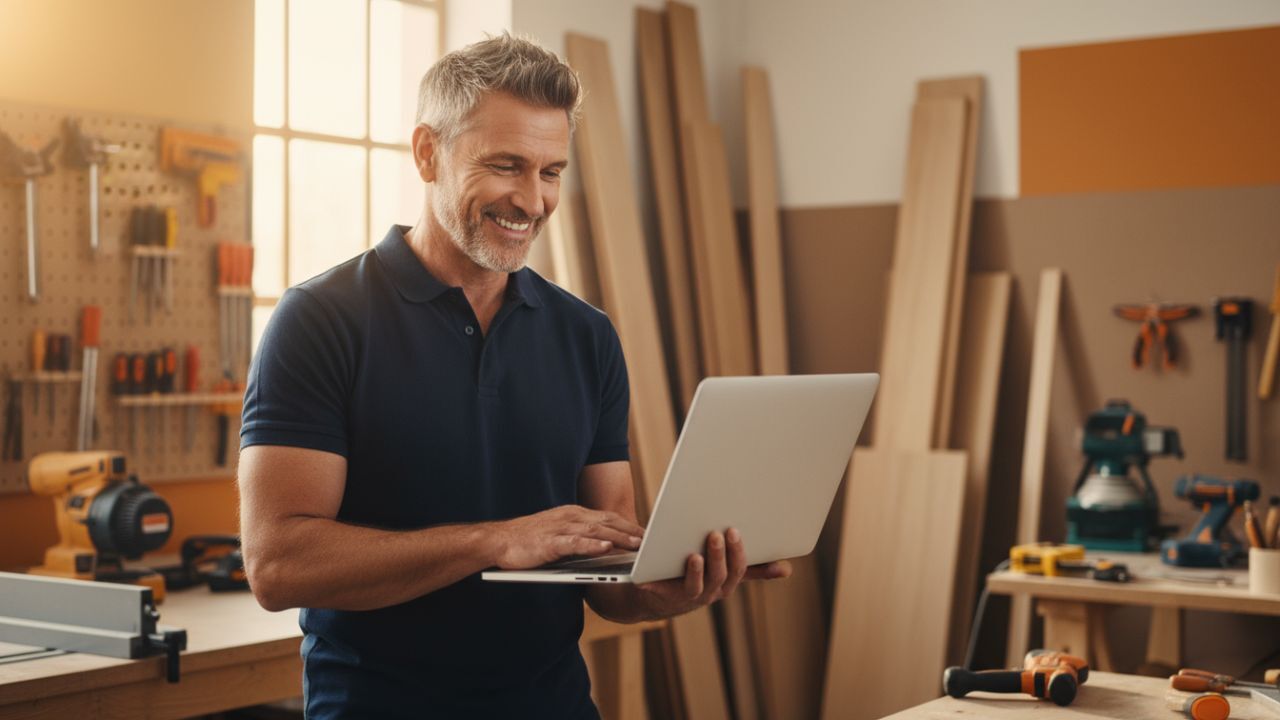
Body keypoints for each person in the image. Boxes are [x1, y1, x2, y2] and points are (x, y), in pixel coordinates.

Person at [238, 33, 790, 719]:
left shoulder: (587, 337)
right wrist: (497, 541)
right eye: (507, 166)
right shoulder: (321, 320)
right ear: (428, 153)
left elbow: (607, 575)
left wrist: (677, 586)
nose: (532, 201)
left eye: (551, 171)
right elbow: (277, 564)